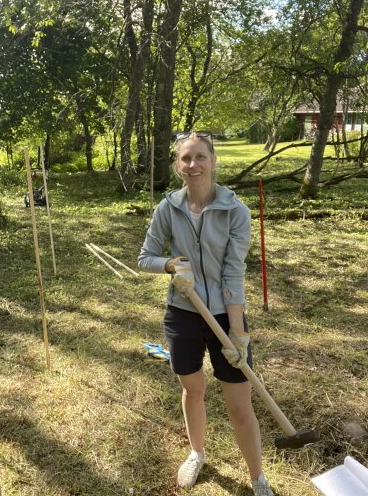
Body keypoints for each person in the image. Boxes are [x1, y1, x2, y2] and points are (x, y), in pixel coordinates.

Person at [138, 132, 273, 495]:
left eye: (200, 157)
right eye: (185, 159)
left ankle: (257, 477)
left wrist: (237, 331)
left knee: (239, 404)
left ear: (212, 161)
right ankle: (197, 453)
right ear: (177, 165)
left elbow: (233, 272)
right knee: (192, 389)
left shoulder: (235, 211)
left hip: (225, 315)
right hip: (182, 313)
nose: (193, 165)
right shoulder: (168, 208)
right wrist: (169, 265)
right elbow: (144, 257)